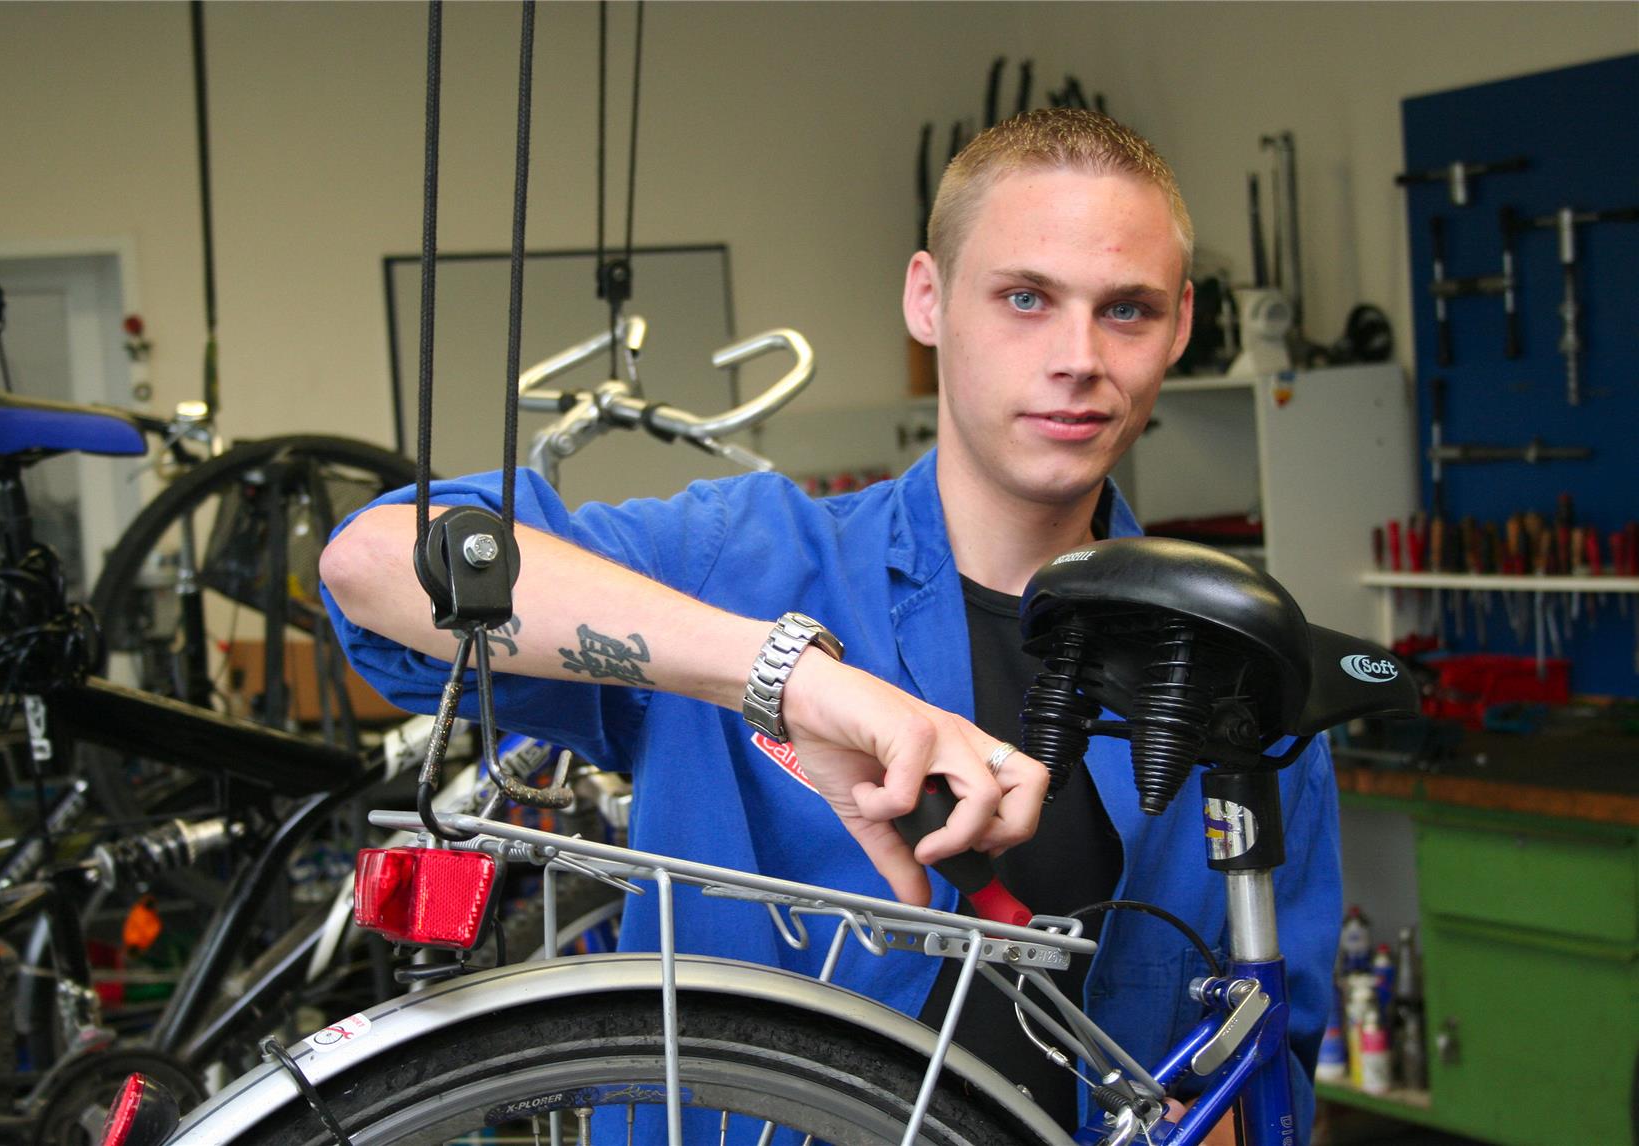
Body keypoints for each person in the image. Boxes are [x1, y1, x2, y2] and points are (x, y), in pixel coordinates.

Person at [322, 108, 1339, 1141]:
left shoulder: (1236, 669)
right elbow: (371, 563)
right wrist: (783, 674)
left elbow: (1278, 1069)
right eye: (1024, 298)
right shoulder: (740, 562)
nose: (1077, 357)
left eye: (1125, 310)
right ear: (928, 299)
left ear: (1177, 326)